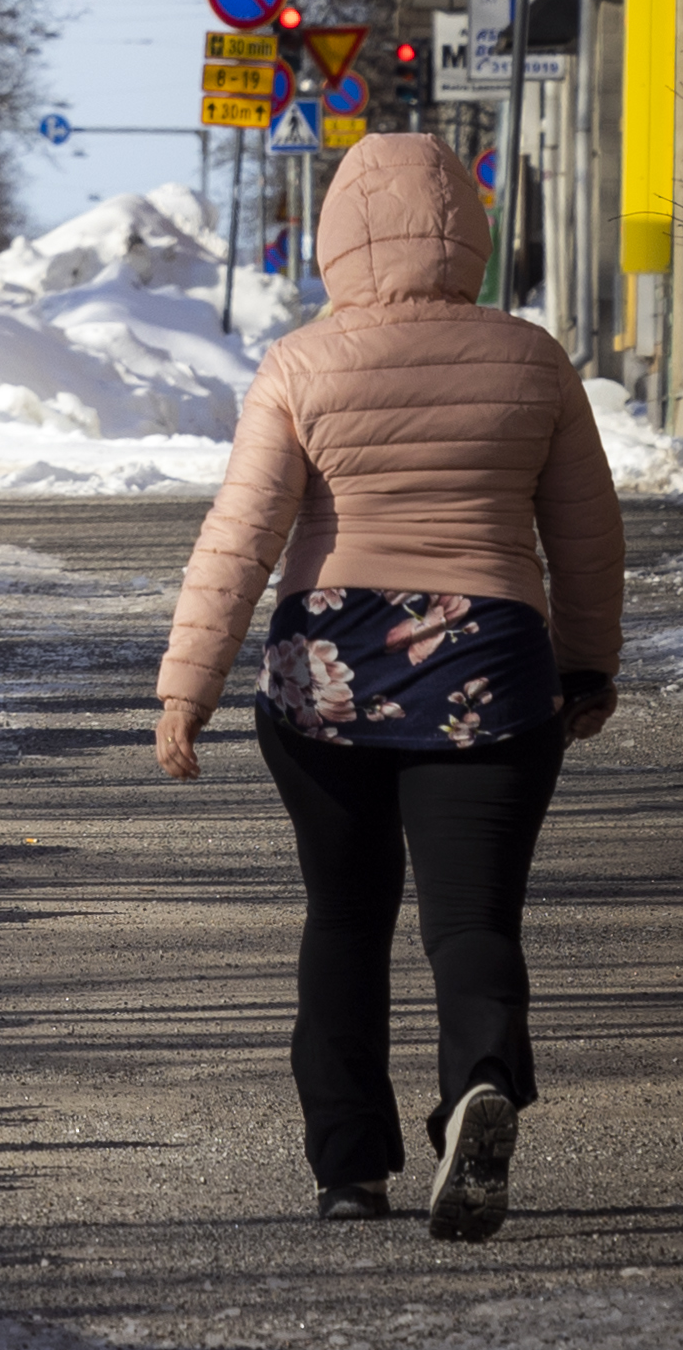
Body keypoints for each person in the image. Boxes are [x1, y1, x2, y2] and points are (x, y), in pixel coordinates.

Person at [151, 132, 619, 1241]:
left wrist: (188, 686)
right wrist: (587, 661)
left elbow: (242, 535)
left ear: (336, 240)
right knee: (474, 918)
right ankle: (480, 1083)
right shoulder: (530, 357)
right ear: (470, 232)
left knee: (344, 921)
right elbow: (586, 535)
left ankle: (351, 1168)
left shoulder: (303, 364)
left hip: (331, 679)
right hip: (493, 670)